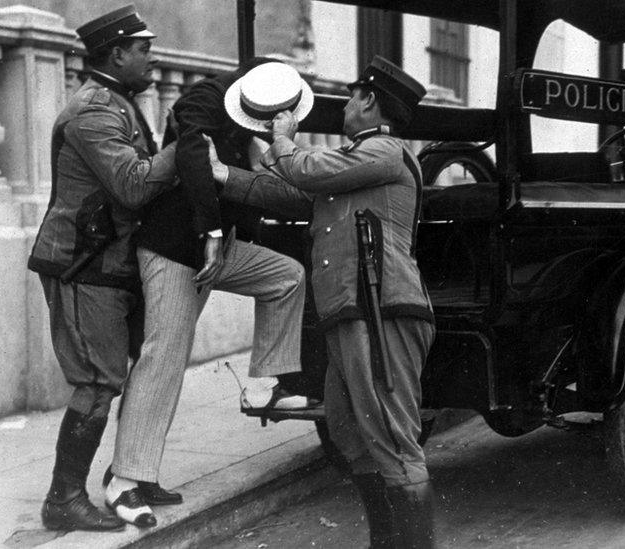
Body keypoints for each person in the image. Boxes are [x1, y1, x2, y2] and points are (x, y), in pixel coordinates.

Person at [207, 55, 437, 548]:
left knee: (393, 441)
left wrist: (282, 136)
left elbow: (306, 170)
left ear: (369, 100)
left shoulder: (385, 152)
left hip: (381, 312)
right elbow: (296, 194)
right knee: (349, 434)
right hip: (351, 312)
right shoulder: (355, 163)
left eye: (353, 96)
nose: (346, 106)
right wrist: (223, 175)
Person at [104, 61, 316, 528]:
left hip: (219, 250)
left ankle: (263, 386)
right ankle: (124, 480)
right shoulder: (203, 99)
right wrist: (214, 231)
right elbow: (194, 158)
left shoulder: (258, 109)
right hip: (177, 249)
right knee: (164, 357)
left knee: (287, 277)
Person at [27, 5, 178, 532]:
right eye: (143, 50)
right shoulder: (94, 110)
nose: (152, 61)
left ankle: (126, 474)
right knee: (96, 381)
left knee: (118, 374)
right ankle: (63, 498)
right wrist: (187, 149)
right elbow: (133, 185)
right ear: (117, 53)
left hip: (107, 263)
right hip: (82, 265)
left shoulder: (119, 104)